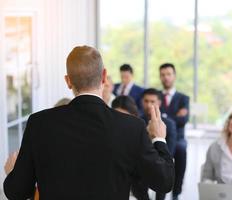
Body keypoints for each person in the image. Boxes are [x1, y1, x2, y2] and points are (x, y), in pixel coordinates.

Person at [3, 45, 174, 200]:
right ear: (104, 77)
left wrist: (12, 174)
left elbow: (16, 192)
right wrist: (159, 139)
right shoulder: (132, 126)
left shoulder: (38, 123)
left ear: (68, 81)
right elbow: (164, 182)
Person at [131, 88, 177, 200]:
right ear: (141, 102)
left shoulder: (169, 124)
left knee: (163, 173)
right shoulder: (136, 121)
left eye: (152, 102)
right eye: (146, 101)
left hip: (160, 161)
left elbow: (169, 150)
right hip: (142, 162)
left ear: (159, 103)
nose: (148, 105)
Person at [159, 63, 189, 200]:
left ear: (174, 76)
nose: (166, 77)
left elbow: (184, 120)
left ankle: (176, 192)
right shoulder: (156, 96)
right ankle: (160, 192)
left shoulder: (183, 98)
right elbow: (149, 117)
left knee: (181, 149)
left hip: (178, 138)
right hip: (160, 136)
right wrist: (175, 116)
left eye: (168, 74)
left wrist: (163, 117)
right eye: (163, 74)